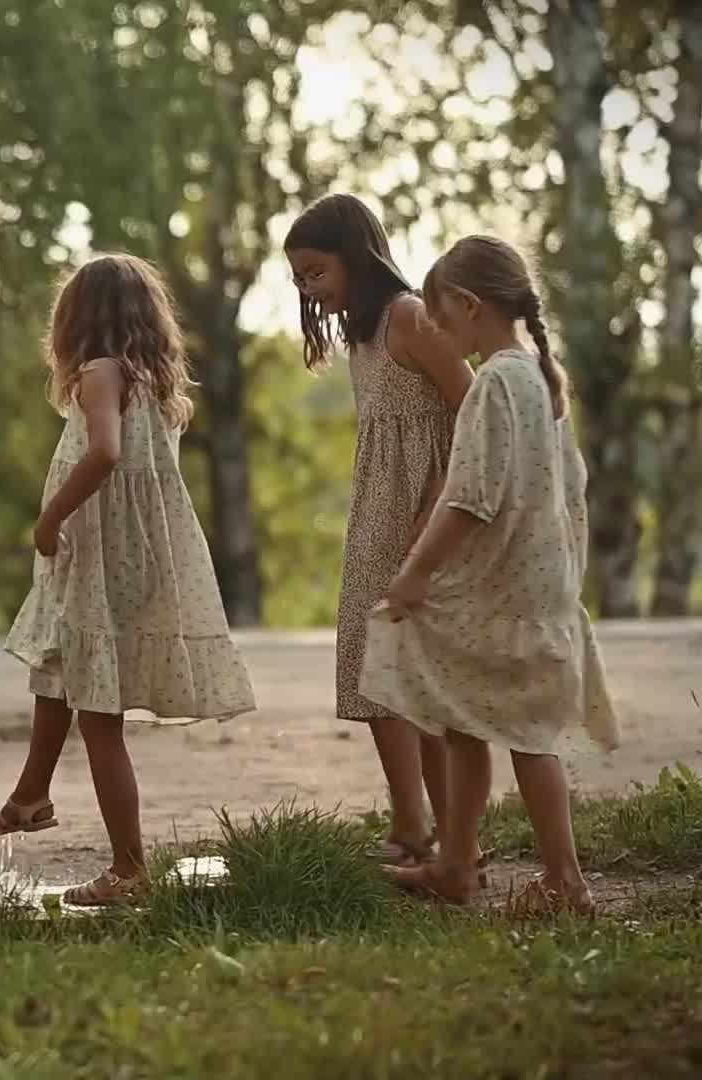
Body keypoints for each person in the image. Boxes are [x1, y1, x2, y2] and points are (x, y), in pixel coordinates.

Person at [0, 253, 256, 906]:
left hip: (106, 558)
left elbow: (104, 453)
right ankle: (30, 793)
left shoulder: (100, 375)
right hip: (135, 558)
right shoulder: (152, 385)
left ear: (74, 320)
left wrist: (51, 517)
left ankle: (129, 869)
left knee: (100, 718)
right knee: (60, 663)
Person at [361, 234, 620, 917]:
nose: (441, 334)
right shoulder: (536, 377)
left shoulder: (496, 385)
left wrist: (414, 574)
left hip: (504, 590)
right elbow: (572, 489)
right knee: (459, 717)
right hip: (533, 585)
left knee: (526, 736)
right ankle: (453, 862)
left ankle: (565, 880)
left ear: (469, 305)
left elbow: (469, 498)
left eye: (443, 320)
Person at [283, 193, 476, 869]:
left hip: (425, 511)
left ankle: (434, 832)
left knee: (411, 672)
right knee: (375, 664)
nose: (309, 288)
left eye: (316, 272)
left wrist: (437, 505)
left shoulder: (410, 317)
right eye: (299, 278)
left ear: (356, 258)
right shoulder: (360, 331)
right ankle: (419, 827)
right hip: (378, 510)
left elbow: (474, 406)